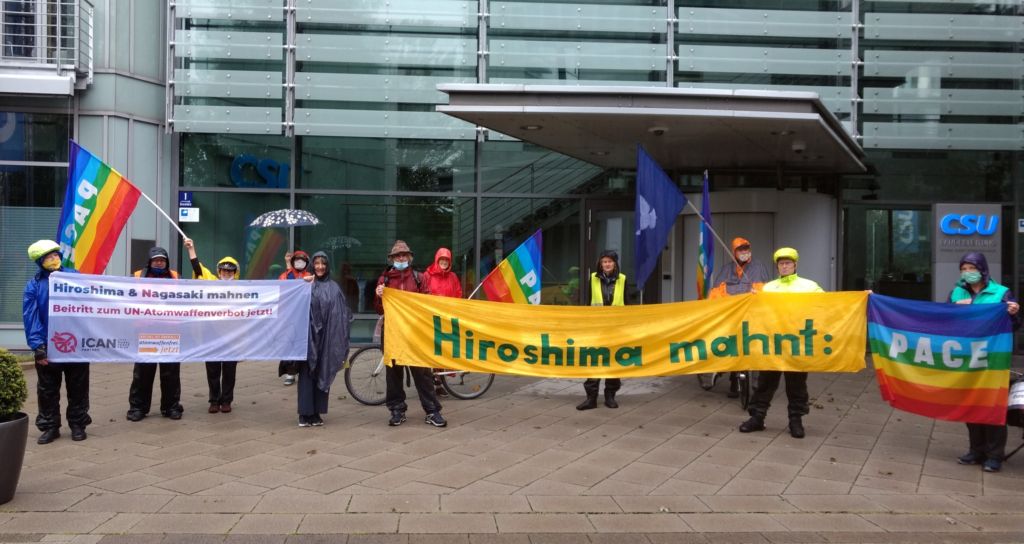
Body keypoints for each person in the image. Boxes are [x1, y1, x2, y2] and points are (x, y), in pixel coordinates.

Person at [739, 247, 823, 438]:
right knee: (765, 382)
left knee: (797, 385)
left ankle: (796, 421)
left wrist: (860, 297)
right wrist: (754, 299)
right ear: (777, 266)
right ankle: (757, 418)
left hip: (797, 343)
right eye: (781, 263)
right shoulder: (769, 288)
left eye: (788, 263)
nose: (784, 266)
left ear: (795, 265)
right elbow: (759, 312)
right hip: (773, 343)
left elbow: (830, 304)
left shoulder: (809, 286)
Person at [949, 252, 1021, 473]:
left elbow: (1015, 325)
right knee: (971, 405)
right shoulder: (957, 293)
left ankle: (994, 455)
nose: (967, 272)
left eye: (972, 268)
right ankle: (976, 450)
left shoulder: (1000, 293)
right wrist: (955, 309)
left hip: (993, 358)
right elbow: (946, 322)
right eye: (964, 269)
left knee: (993, 406)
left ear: (982, 269)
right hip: (967, 357)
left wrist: (1013, 314)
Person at [22, 240, 92, 444]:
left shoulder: (74, 277)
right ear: (40, 262)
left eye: (55, 255)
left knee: (78, 387)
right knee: (47, 390)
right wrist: (38, 347)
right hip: (49, 345)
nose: (54, 259)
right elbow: (31, 317)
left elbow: (90, 304)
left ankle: (78, 424)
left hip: (75, 344)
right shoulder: (34, 285)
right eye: (48, 257)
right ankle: (50, 427)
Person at [374, 240, 446, 428]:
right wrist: (379, 296)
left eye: (404, 255)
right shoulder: (384, 279)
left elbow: (427, 303)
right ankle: (397, 410)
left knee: (422, 373)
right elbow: (379, 310)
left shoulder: (419, 278)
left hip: (415, 333)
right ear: (392, 259)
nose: (401, 258)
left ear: (409, 257)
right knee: (393, 374)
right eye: (397, 256)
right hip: (393, 333)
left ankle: (432, 410)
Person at [127, 246, 184, 422]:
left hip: (170, 331)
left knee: (171, 373)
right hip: (147, 331)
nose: (159, 263)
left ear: (167, 262)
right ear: (150, 261)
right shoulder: (137, 277)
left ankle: (171, 407)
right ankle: (138, 408)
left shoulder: (176, 277)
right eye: (156, 260)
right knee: (143, 372)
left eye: (162, 260)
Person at [709, 237, 771, 397]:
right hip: (733, 317)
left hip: (754, 316)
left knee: (755, 348)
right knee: (731, 345)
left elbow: (766, 291)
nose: (744, 252)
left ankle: (757, 385)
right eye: (740, 249)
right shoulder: (726, 269)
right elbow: (715, 294)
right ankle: (732, 379)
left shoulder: (759, 267)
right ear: (734, 252)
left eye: (746, 249)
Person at [184, 238, 240, 414]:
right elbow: (198, 270)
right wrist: (191, 249)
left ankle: (227, 400)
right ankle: (214, 400)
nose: (226, 273)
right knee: (213, 369)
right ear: (219, 271)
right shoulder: (211, 282)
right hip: (211, 333)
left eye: (230, 271)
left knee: (229, 370)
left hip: (232, 335)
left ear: (235, 273)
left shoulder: (242, 289)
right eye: (223, 270)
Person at [297, 251, 350, 427]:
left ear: (327, 266)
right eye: (317, 263)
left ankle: (317, 412)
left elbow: (341, 314)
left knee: (323, 372)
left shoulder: (334, 288)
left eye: (323, 264)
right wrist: (302, 283)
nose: (320, 267)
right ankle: (305, 413)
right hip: (308, 339)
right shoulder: (306, 284)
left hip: (327, 339)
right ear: (312, 265)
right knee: (307, 376)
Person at [577, 250, 626, 410]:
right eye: (604, 262)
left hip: (615, 328)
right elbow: (586, 301)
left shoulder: (623, 279)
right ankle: (591, 398)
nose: (607, 264)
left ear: (615, 264)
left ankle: (610, 396)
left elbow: (626, 303)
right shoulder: (592, 278)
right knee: (594, 361)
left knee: (613, 362)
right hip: (596, 328)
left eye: (610, 261)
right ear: (600, 264)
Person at [424, 247, 463, 397]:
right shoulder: (427, 275)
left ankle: (439, 382)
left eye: (447, 260)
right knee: (432, 350)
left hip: (447, 319)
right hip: (431, 319)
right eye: (442, 259)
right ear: (437, 259)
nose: (444, 262)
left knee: (444, 351)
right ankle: (431, 381)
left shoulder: (453, 277)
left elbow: (458, 293)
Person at [278, 250, 312, 386]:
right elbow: (281, 290)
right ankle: (290, 372)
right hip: (289, 316)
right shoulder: (285, 276)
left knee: (304, 344)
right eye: (297, 260)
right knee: (289, 343)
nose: (299, 262)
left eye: (302, 260)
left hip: (305, 316)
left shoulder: (309, 276)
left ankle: (304, 371)